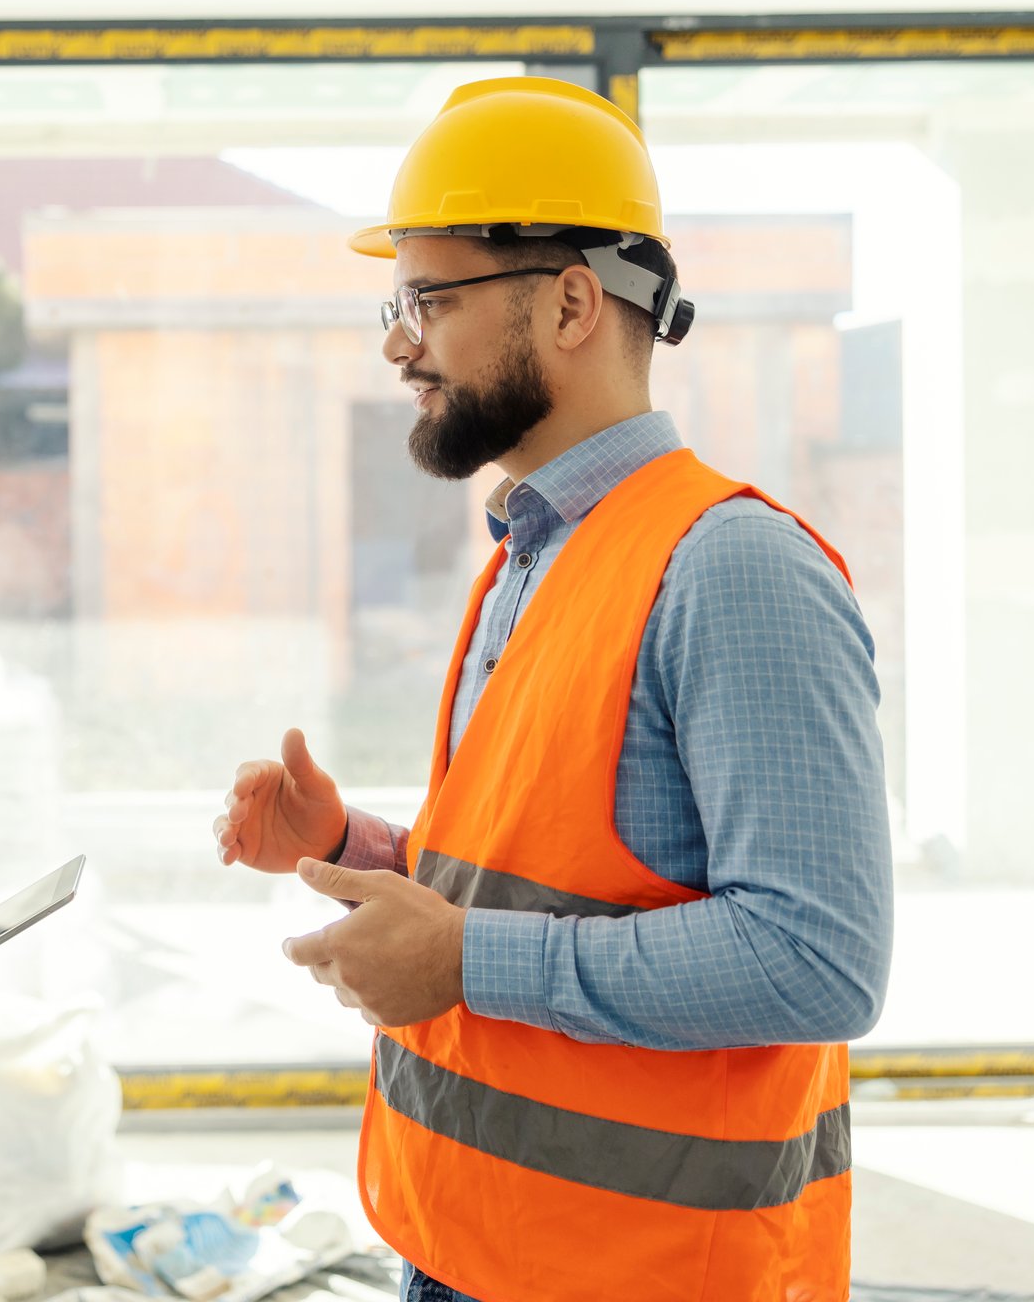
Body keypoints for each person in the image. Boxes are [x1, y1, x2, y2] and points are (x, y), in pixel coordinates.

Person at [213, 78, 893, 1302]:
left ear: (573, 302)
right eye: (397, 304)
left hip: (647, 1277)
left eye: (430, 300)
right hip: (472, 1245)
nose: (398, 344)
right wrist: (356, 847)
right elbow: (555, 869)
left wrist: (466, 959)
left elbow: (818, 958)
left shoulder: (732, 567)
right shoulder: (535, 553)